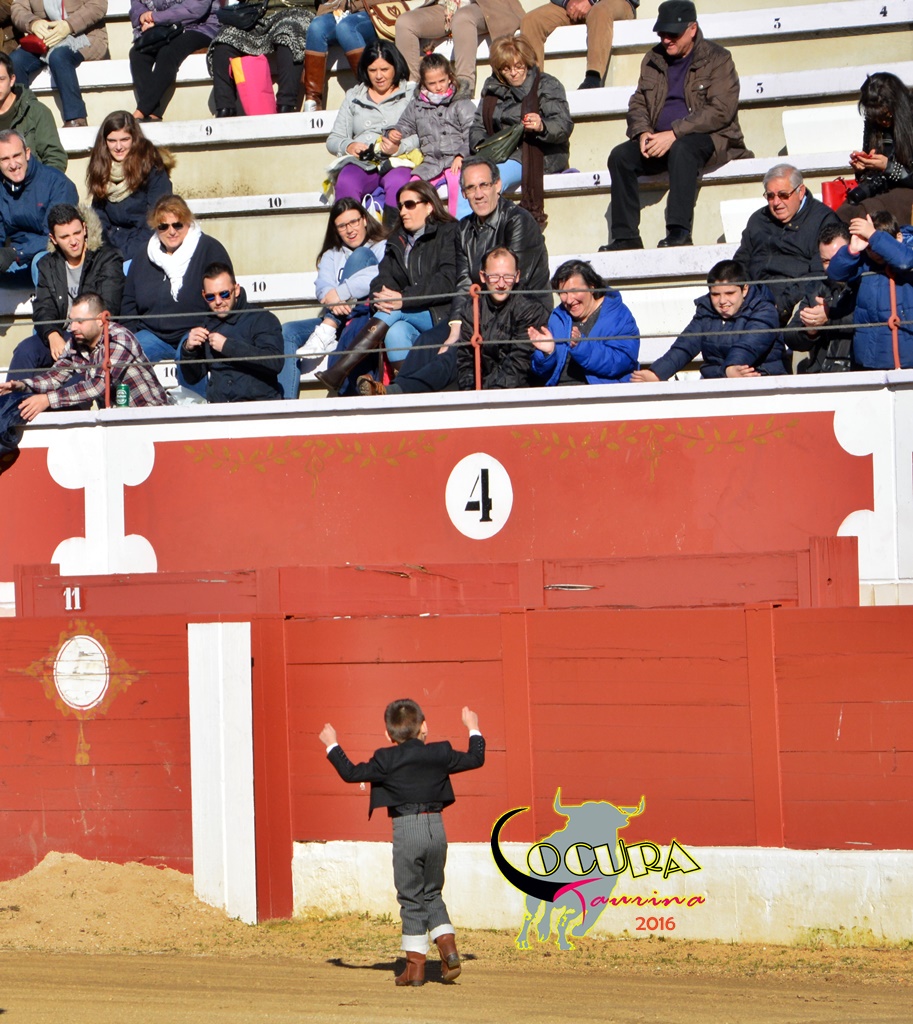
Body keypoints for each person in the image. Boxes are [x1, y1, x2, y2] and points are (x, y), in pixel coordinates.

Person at [319, 699, 485, 987]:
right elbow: (476, 758)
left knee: (410, 897)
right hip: (436, 828)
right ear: (424, 727)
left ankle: (415, 968)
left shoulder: (386, 759)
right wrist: (473, 727)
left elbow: (351, 773)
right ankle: (448, 949)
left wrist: (332, 744)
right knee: (432, 893)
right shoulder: (440, 752)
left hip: (407, 830)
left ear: (388, 735)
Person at [359, 156, 550, 397]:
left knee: (456, 352)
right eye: (470, 188)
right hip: (478, 310)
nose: (478, 194)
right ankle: (393, 392)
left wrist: (466, 329)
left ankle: (398, 391)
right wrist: (456, 325)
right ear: (464, 193)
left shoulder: (518, 221)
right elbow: (463, 282)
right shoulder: (464, 228)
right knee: (428, 341)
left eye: (484, 185)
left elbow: (513, 285)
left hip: (520, 312)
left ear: (498, 185)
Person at [602, 0, 751, 251]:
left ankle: (679, 231)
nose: (666, 39)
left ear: (692, 29)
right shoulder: (653, 58)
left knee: (683, 149)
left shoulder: (718, 58)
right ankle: (626, 237)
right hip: (662, 138)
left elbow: (720, 111)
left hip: (711, 138)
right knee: (620, 157)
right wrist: (643, 132)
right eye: (662, 33)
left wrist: (674, 133)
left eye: (673, 34)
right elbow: (638, 102)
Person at [315, 179, 458, 393]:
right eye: (400, 206)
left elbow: (447, 280)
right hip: (408, 312)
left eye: (410, 204)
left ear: (429, 206)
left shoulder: (449, 232)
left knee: (392, 310)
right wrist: (382, 296)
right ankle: (405, 392)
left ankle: (339, 369)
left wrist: (403, 298)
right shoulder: (397, 239)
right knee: (395, 332)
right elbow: (381, 279)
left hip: (442, 313)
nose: (403, 211)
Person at [0, 290, 168, 453]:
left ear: (100, 320)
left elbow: (98, 386)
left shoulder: (119, 338)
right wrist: (22, 385)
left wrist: (47, 399)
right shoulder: (76, 342)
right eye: (71, 321)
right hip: (117, 421)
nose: (72, 327)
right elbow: (55, 377)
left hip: (150, 420)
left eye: (80, 321)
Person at [120, 193, 231, 391]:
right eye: (163, 226)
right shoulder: (144, 254)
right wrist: (132, 334)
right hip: (152, 333)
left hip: (195, 331)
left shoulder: (209, 249)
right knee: (124, 355)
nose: (171, 231)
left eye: (177, 225)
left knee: (190, 354)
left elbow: (224, 297)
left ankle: (195, 406)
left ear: (187, 222)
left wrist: (205, 330)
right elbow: (129, 301)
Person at [280, 197, 386, 398]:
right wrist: (334, 300)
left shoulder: (382, 247)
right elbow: (322, 286)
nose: (350, 230)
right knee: (288, 331)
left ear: (364, 219)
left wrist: (340, 293)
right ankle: (286, 403)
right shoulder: (332, 254)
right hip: (337, 314)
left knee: (361, 255)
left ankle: (330, 325)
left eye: (354, 222)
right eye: (342, 226)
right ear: (335, 229)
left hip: (366, 316)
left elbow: (380, 276)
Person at [6, 203, 123, 380]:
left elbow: (108, 307)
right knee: (25, 350)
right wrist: (51, 334)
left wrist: (74, 336)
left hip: (92, 338)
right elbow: (43, 307)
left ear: (84, 228)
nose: (73, 241)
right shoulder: (48, 264)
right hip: (61, 333)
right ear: (53, 239)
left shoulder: (107, 259)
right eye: (65, 236)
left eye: (77, 233)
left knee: (71, 381)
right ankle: (11, 398)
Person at [468, 34, 572, 227]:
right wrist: (483, 147)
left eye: (519, 66)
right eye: (506, 69)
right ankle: (463, 234)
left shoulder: (547, 84)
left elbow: (563, 124)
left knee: (484, 182)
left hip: (537, 153)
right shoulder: (492, 87)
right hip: (499, 153)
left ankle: (480, 232)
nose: (514, 73)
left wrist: (542, 126)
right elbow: (478, 126)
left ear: (527, 63)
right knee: (467, 179)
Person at [631, 259, 789, 381]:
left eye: (729, 293)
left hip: (761, 380)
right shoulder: (706, 311)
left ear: (745, 289)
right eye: (715, 294)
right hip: (716, 382)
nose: (722, 301)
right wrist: (657, 373)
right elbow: (685, 346)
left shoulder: (765, 310)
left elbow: (749, 344)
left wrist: (732, 367)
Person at [733, 163, 841, 325]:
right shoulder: (758, 220)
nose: (776, 202)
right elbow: (740, 263)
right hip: (753, 302)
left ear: (800, 191)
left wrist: (782, 304)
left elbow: (819, 274)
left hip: (794, 304)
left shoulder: (823, 220)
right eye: (770, 196)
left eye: (783, 195)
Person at [325, 39, 417, 226]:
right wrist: (349, 145)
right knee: (346, 180)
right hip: (363, 162)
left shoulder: (411, 94)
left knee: (399, 182)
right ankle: (348, 236)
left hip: (397, 160)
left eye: (384, 69)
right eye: (373, 70)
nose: (379, 76)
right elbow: (334, 139)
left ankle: (394, 238)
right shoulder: (354, 96)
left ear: (396, 67)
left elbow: (424, 134)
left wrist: (399, 148)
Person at [382, 53, 474, 218]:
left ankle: (460, 223)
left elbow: (472, 132)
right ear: (423, 83)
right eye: (432, 83)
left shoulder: (461, 102)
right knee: (413, 189)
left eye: (442, 81)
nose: (438, 87)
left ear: (450, 77)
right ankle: (420, 226)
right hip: (431, 163)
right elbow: (405, 124)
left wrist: (462, 155)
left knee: (459, 184)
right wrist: (394, 132)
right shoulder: (417, 105)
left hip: (457, 160)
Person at [180, 262, 283, 402]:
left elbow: (275, 362)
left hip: (258, 405)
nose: (218, 301)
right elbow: (193, 377)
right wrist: (189, 350)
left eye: (224, 294)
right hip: (221, 407)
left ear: (236, 290)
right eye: (210, 297)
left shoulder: (261, 318)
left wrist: (227, 346)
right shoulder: (206, 325)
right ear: (204, 295)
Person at [529, 259, 639, 386]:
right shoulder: (558, 317)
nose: (569, 300)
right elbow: (540, 372)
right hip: (560, 392)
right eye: (563, 293)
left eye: (574, 291)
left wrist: (581, 346)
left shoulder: (618, 315)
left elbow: (621, 362)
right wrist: (548, 353)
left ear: (591, 287)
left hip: (601, 392)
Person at [827, 211, 913, 370]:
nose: (875, 252)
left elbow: (905, 261)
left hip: (909, 354)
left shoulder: (909, 250)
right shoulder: (864, 262)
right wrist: (852, 250)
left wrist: (873, 236)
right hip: (872, 357)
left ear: (899, 238)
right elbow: (835, 273)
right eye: (870, 247)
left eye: (876, 244)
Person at [87, 110, 174, 265]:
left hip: (146, 246)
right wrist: (109, 252)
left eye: (124, 139)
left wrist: (123, 254)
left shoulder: (153, 170)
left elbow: (156, 221)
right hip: (112, 247)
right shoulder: (101, 170)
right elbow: (99, 219)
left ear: (134, 139)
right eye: (112, 141)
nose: (118, 147)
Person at [454, 245, 546, 391]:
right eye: (494, 277)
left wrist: (489, 393)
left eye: (508, 277)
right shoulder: (472, 308)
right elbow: (466, 359)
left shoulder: (530, 309)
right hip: (480, 389)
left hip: (519, 390)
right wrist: (471, 392)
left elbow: (519, 363)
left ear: (517, 276)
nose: (501, 284)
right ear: (483, 276)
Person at [208, 0, 316, 118]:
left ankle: (286, 106)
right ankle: (225, 108)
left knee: (289, 32)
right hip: (257, 15)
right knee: (224, 38)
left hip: (297, 11)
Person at [10, 0, 108, 128]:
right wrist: (33, 23)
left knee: (58, 57)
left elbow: (98, 5)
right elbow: (18, 7)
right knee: (15, 61)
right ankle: (22, 119)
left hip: (85, 35)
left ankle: (76, 118)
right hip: (44, 38)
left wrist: (69, 25)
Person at [395, 0, 523, 98]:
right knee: (405, 22)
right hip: (446, 7)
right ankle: (411, 90)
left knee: (462, 17)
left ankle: (464, 87)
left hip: (486, 7)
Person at [0, 128, 77, 281]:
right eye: (5, 159)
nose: (13, 165)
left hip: (51, 253)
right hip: (18, 258)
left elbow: (56, 235)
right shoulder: (1, 188)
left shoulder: (57, 183)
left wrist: (16, 252)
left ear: (27, 153)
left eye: (16, 155)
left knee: (41, 262)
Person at [837, 72, 913, 227]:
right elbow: (870, 176)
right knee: (843, 213)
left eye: (886, 116)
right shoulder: (873, 123)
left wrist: (889, 167)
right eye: (876, 118)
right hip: (882, 189)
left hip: (907, 190)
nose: (882, 122)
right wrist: (863, 168)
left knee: (867, 211)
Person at [129, 0, 220, 122]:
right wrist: (143, 16)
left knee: (168, 52)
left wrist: (156, 18)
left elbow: (194, 9)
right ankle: (154, 113)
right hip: (160, 27)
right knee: (137, 53)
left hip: (199, 27)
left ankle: (142, 110)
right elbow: (137, 4)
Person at [788, 222, 858, 374]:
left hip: (858, 371)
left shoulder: (866, 282)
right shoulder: (817, 287)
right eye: (826, 261)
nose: (832, 266)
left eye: (838, 258)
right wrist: (810, 330)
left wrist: (829, 318)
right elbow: (790, 336)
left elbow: (871, 319)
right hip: (821, 373)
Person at [521, 0, 637, 91]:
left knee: (600, 11)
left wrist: (590, 1)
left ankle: (593, 78)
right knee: (531, 20)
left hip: (613, 3)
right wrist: (567, 2)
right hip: (572, 5)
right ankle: (533, 87)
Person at [301, 0, 376, 113]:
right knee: (316, 27)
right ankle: (313, 100)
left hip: (373, 8)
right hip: (338, 9)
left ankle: (370, 92)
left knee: (346, 27)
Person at [0, 50, 66, 169]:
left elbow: (55, 158)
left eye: (1, 79)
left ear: (12, 80)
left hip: (32, 179)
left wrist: (39, 181)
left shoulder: (35, 111)